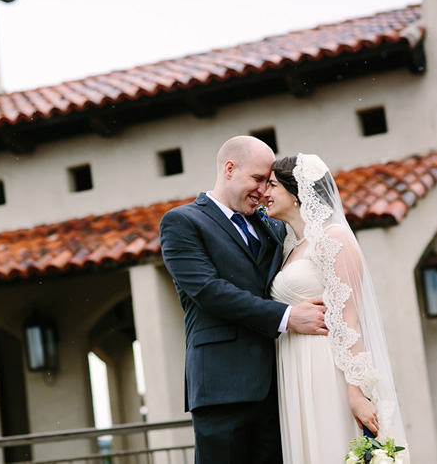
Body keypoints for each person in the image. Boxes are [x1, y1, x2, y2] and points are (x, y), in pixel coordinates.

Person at [159, 136, 327, 463]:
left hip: (278, 384)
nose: (264, 190)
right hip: (223, 386)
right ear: (229, 168)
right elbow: (209, 291)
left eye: (269, 182)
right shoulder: (182, 222)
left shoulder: (272, 228)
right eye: (258, 179)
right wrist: (287, 317)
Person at [265, 153, 409, 463]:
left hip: (325, 365)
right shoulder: (290, 247)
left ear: (297, 192)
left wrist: (356, 392)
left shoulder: (335, 238)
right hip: (292, 364)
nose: (265, 193)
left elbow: (350, 319)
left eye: (272, 185)